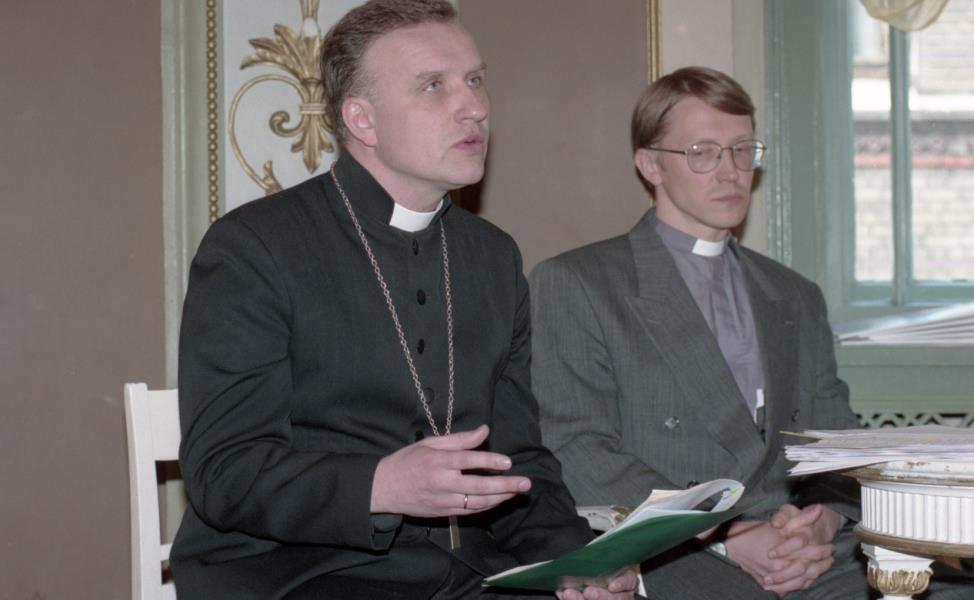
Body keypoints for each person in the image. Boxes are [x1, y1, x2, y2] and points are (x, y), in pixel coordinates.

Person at [170, 1, 639, 599]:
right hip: (300, 576)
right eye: (433, 86)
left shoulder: (492, 256)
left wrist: (575, 561)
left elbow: (518, 458)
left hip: (466, 575)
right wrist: (381, 485)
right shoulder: (254, 247)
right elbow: (225, 472)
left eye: (475, 79)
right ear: (362, 120)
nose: (475, 106)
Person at [530, 66, 866, 599]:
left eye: (742, 150)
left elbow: (836, 438)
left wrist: (822, 522)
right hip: (671, 549)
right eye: (702, 152)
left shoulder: (794, 294)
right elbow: (576, 447)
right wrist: (728, 535)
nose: (730, 172)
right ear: (650, 165)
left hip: (802, 546)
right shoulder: (580, 283)